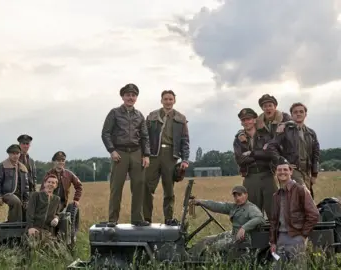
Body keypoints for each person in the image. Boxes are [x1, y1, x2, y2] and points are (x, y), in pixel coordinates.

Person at [101, 83, 151, 227]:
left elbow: (145, 137)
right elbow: (105, 133)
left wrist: (146, 155)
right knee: (116, 187)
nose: (130, 98)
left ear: (136, 98)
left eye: (133, 95)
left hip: (136, 153)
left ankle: (137, 219)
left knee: (139, 186)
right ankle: (112, 219)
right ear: (123, 96)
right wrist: (112, 150)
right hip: (120, 153)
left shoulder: (139, 115)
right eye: (128, 95)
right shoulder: (114, 113)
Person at [144, 90, 190, 225]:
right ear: (161, 100)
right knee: (147, 187)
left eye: (170, 99)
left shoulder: (181, 118)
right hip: (153, 155)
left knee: (169, 189)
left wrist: (185, 159)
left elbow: (185, 140)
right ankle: (146, 219)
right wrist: (144, 154)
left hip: (171, 155)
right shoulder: (152, 116)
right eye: (165, 99)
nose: (168, 101)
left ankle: (168, 218)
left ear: (174, 101)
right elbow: (145, 137)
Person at [269, 158, 319, 269]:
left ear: (291, 171)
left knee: (298, 267)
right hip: (280, 240)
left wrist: (303, 235)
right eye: (279, 170)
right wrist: (273, 242)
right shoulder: (276, 195)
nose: (282, 172)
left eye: (285, 169)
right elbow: (273, 220)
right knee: (277, 267)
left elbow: (314, 214)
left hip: (296, 238)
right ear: (276, 172)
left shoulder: (300, 190)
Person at [189, 185, 265, 259]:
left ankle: (200, 261)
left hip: (243, 238)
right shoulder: (234, 207)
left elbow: (259, 218)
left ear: (246, 195)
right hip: (232, 234)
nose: (237, 198)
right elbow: (218, 206)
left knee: (213, 247)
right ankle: (188, 256)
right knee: (205, 240)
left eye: (240, 195)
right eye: (235, 196)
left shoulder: (251, 208)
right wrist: (201, 202)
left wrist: (244, 228)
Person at [267, 103, 320, 198]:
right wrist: (283, 162)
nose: (298, 114)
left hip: (306, 171)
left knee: (305, 200)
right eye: (295, 112)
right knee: (304, 196)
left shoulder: (311, 133)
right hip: (292, 170)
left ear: (305, 114)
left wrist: (314, 174)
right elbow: (271, 146)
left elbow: (315, 154)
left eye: (301, 111)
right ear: (291, 115)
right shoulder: (285, 130)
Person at [233, 108, 277, 218]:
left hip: (267, 174)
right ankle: (256, 235)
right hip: (250, 176)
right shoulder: (238, 140)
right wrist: (260, 154)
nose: (246, 122)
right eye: (243, 120)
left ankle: (274, 235)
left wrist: (251, 153)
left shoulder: (266, 135)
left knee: (274, 210)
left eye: (248, 119)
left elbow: (270, 154)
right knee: (252, 212)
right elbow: (240, 160)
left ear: (254, 120)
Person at [0, 144, 30, 222]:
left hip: (20, 195)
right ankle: (13, 225)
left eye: (17, 153)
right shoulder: (3, 167)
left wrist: (27, 200)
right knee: (16, 201)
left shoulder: (23, 168)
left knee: (28, 206)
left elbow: (26, 186)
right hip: (7, 194)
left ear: (20, 154)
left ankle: (24, 226)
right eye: (13, 153)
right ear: (9, 154)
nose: (15, 155)